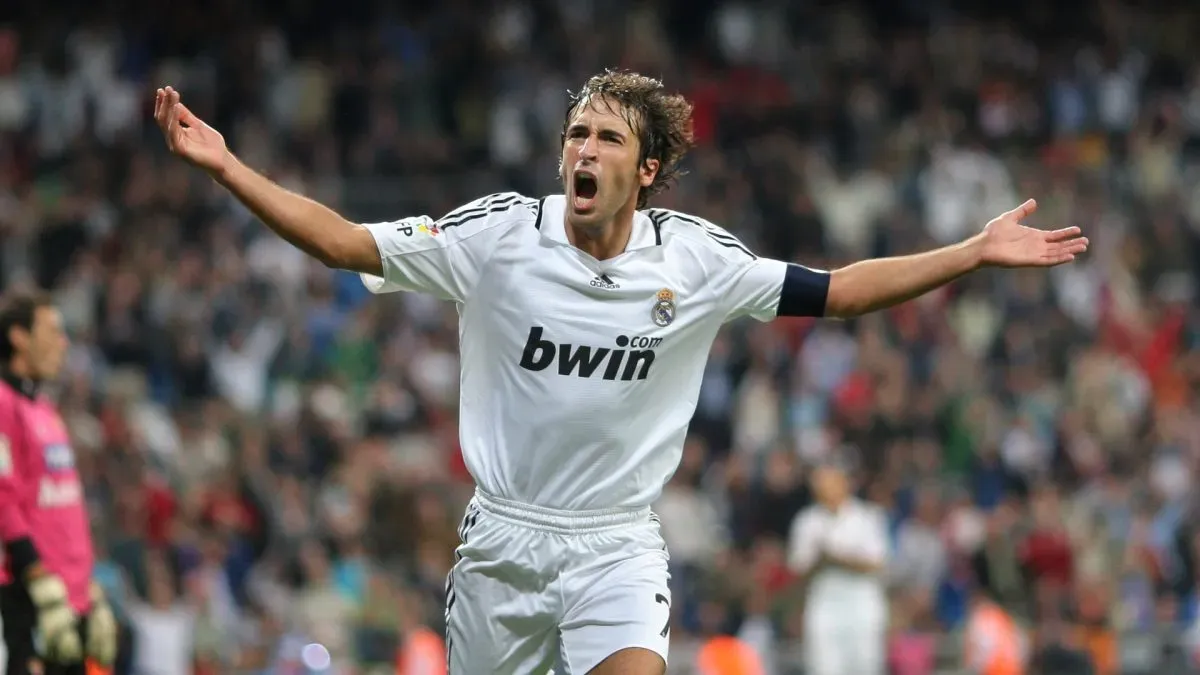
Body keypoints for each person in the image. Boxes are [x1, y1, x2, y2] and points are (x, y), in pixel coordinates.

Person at [153, 70, 1088, 674]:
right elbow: (344, 243)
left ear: (646, 170)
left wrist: (970, 251)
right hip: (503, 541)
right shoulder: (497, 237)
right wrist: (228, 166)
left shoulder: (696, 259)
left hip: (616, 544)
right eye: (576, 134)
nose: (583, 151)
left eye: (605, 139)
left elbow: (838, 290)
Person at [0, 290, 118, 675]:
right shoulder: (3, 403)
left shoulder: (45, 409)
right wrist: (37, 579)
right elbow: (3, 500)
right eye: (53, 331)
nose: (63, 343)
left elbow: (63, 505)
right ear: (19, 336)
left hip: (72, 596)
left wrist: (88, 587)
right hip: (33, 596)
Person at [787, 459, 889, 675]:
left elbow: (876, 563)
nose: (824, 489)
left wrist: (836, 558)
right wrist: (820, 560)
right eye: (819, 484)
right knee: (823, 667)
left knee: (865, 666)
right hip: (824, 603)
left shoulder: (868, 517)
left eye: (830, 482)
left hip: (862, 603)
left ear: (844, 483)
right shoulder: (807, 521)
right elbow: (797, 569)